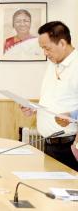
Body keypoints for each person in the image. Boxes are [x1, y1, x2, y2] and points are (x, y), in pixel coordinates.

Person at [21, 21, 78, 171]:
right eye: (42, 49)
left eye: (47, 48)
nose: (45, 53)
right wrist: (34, 108)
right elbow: (55, 99)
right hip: (50, 146)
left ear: (62, 43)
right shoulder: (53, 64)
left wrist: (72, 115)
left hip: (70, 147)